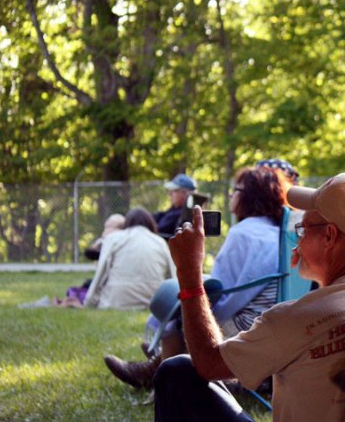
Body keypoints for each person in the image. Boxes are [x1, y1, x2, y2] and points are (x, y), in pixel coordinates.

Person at [132, 173, 345, 422]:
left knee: (177, 372)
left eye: (303, 229)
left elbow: (207, 363)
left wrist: (189, 274)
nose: (297, 239)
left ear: (329, 237)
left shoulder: (298, 319)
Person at [104, 166, 287, 389]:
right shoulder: (281, 232)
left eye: (236, 190)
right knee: (184, 306)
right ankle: (159, 361)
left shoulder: (243, 233)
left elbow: (223, 297)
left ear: (250, 196)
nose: (231, 195)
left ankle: (159, 376)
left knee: (181, 309)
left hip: (247, 326)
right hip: (275, 325)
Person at [83, 207, 176, 310]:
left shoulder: (113, 239)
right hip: (153, 303)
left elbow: (101, 274)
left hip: (115, 302)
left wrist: (89, 301)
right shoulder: (160, 242)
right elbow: (172, 278)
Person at [155, 173, 197, 238]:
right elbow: (159, 215)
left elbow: (157, 229)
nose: (170, 194)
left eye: (174, 190)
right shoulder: (174, 209)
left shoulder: (181, 214)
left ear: (185, 193)